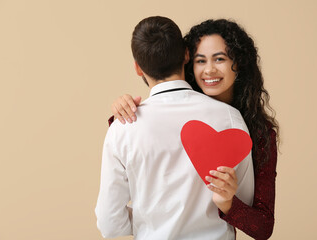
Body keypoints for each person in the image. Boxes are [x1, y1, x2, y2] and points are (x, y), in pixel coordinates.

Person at [110, 19, 279, 239]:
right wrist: (122, 111)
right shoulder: (172, 113)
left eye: (220, 59)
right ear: (188, 60)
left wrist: (229, 204)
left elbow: (263, 227)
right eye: (201, 61)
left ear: (239, 63)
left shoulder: (258, 132)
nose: (209, 70)